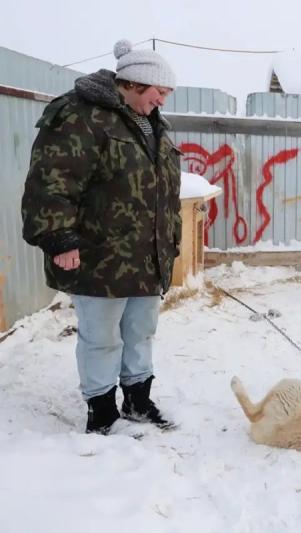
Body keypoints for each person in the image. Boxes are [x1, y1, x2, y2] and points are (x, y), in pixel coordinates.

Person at [21, 39, 182, 435]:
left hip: (146, 256)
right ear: (135, 83)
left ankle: (138, 400)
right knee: (102, 336)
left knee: (140, 331)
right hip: (98, 255)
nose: (162, 100)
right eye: (159, 91)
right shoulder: (81, 116)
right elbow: (52, 181)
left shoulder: (151, 123)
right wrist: (58, 237)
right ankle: (102, 409)